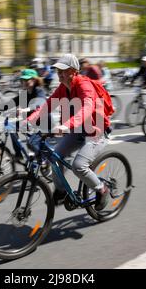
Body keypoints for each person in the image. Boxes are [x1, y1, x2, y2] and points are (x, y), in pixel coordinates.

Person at [27, 54, 112, 211]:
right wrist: (29, 120)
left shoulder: (84, 86)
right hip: (78, 130)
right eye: (58, 70)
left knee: (79, 166)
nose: (59, 73)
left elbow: (87, 109)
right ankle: (61, 191)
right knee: (55, 158)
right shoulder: (63, 88)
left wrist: (67, 125)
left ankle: (102, 189)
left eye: (63, 70)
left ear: (73, 71)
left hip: (96, 131)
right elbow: (47, 105)